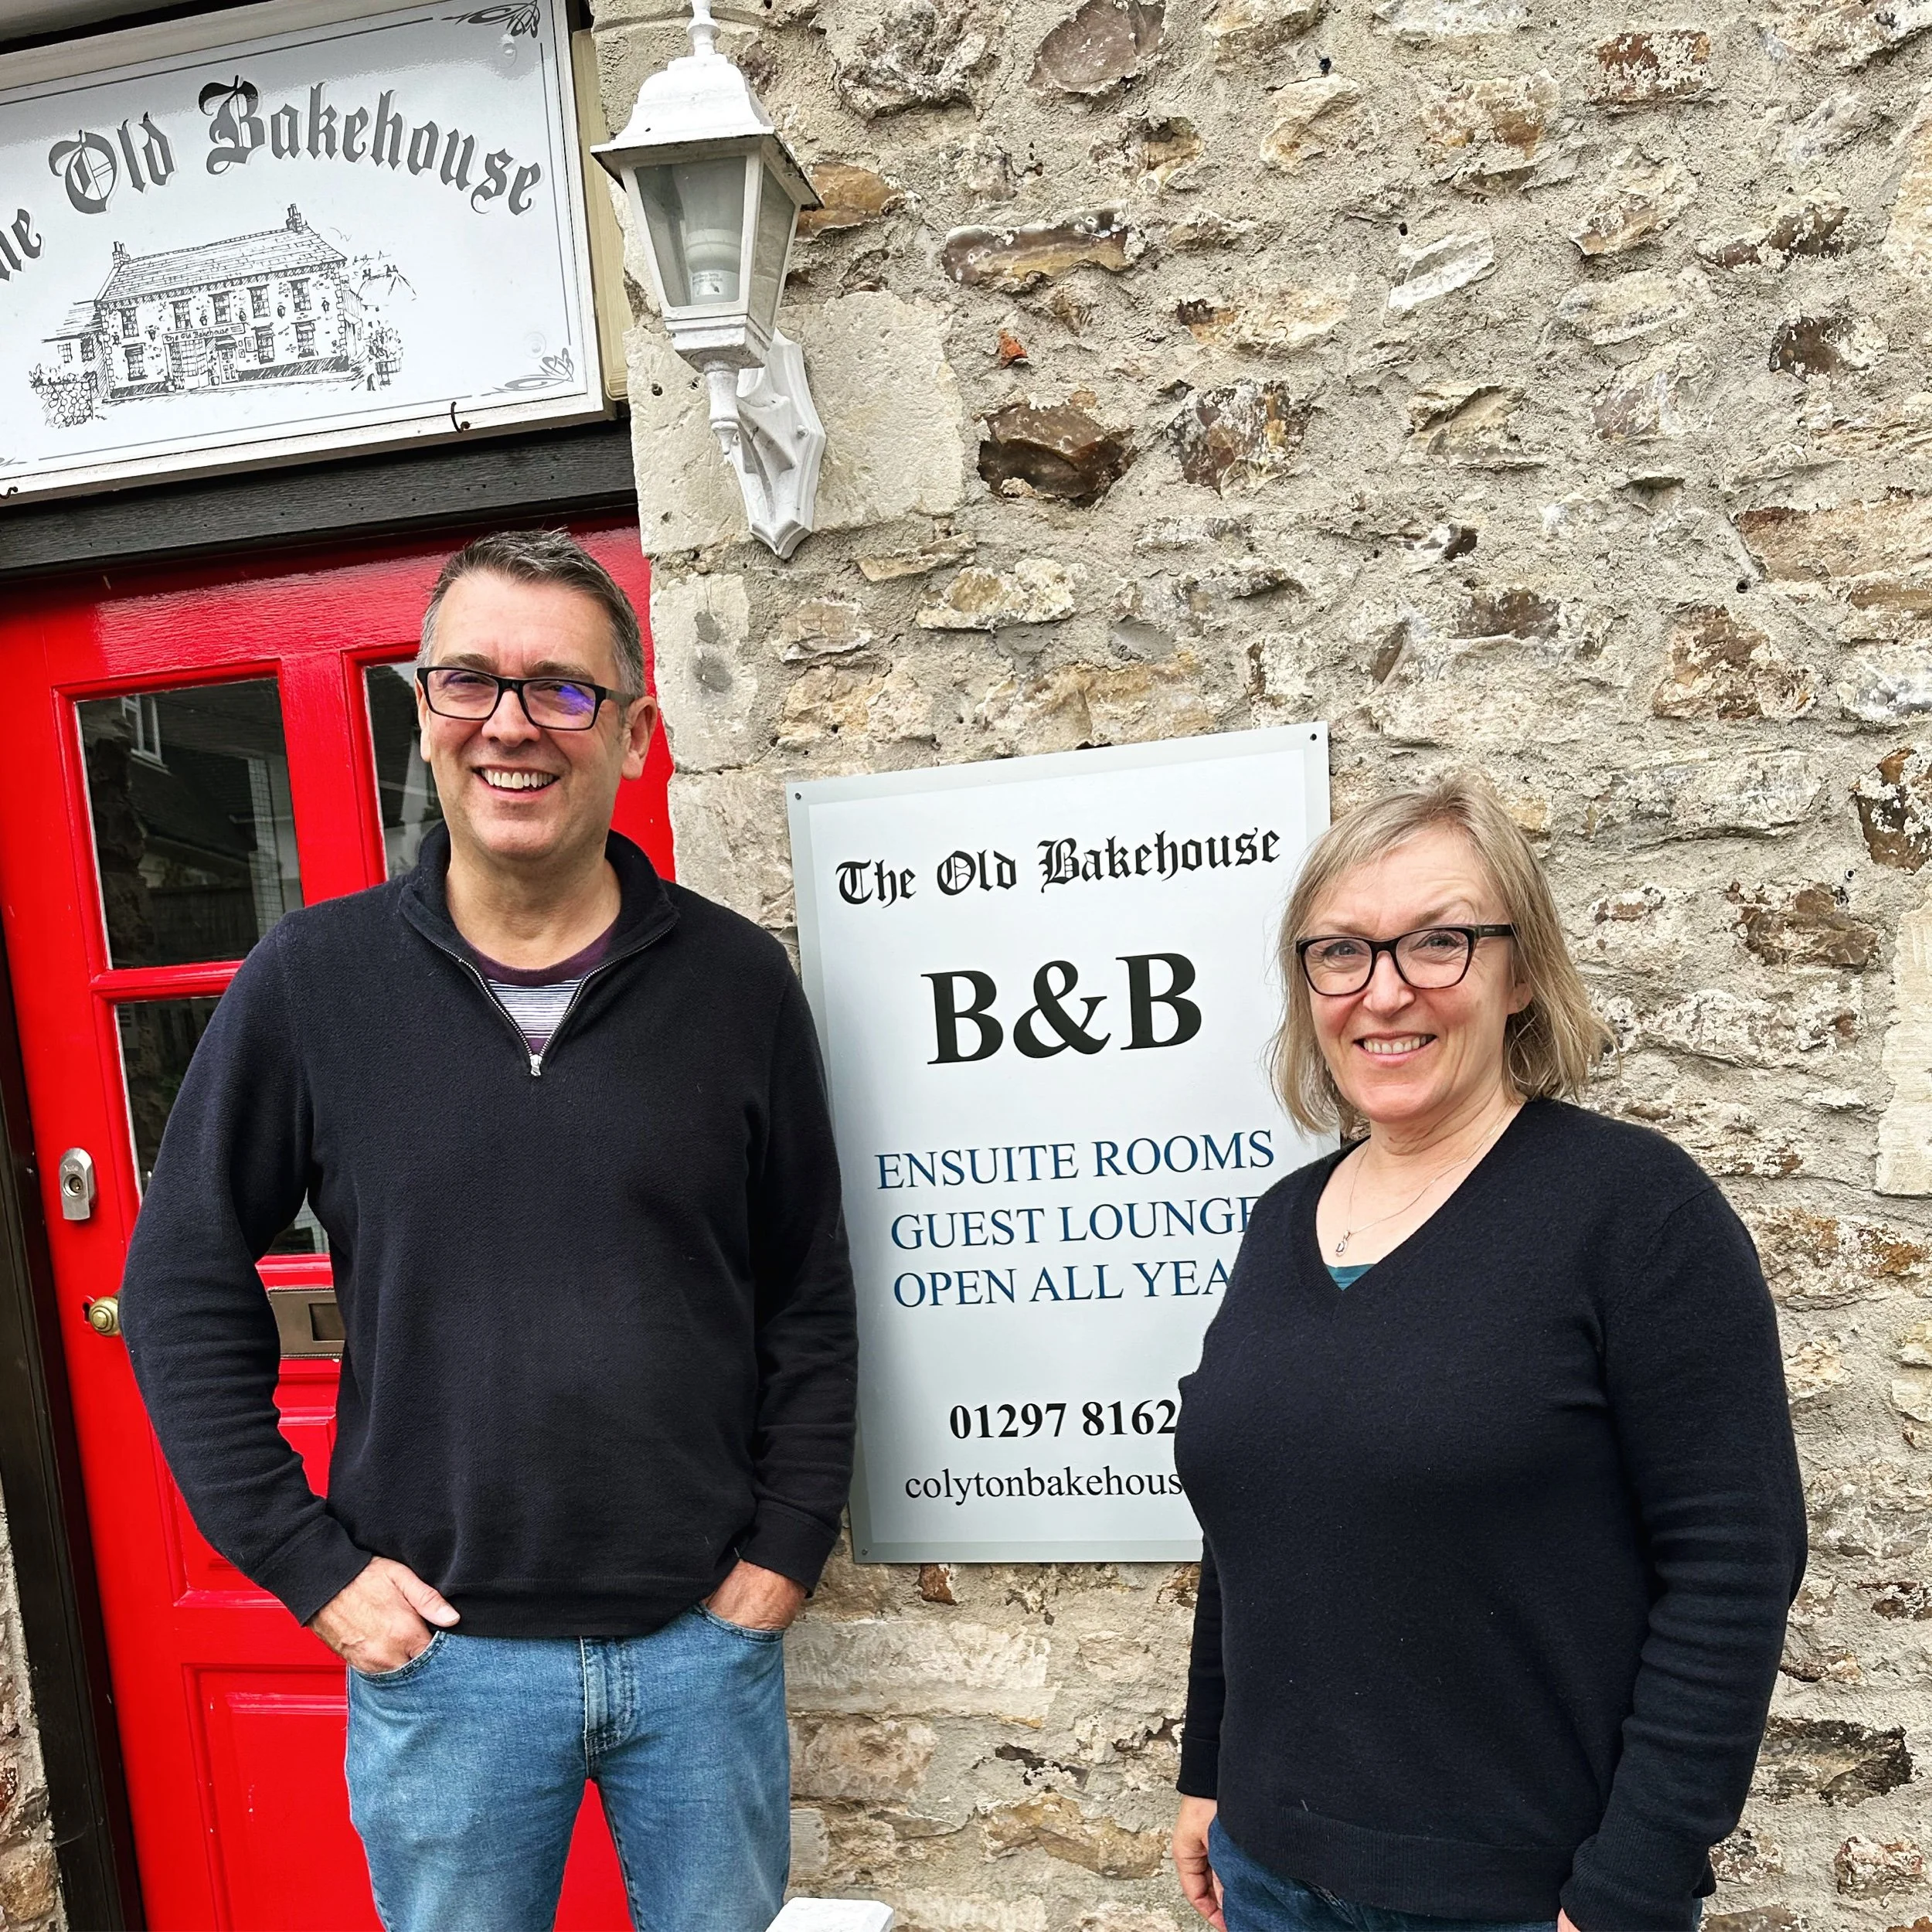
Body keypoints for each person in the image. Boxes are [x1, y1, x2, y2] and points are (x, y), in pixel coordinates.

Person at [121, 528, 857, 1932]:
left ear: (632, 733)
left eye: (561, 690)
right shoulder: (313, 983)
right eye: (470, 683)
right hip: (442, 1662)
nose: (510, 725)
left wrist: (783, 1551)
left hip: (699, 1649)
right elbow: (181, 1288)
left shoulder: (733, 984)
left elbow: (807, 1293)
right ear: (425, 714)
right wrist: (312, 1573)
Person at [1170, 776, 1805, 1932]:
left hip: (1516, 1900)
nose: (1386, 990)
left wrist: (1635, 1886)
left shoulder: (1633, 1211)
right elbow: (1254, 1535)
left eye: (1440, 942)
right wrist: (1207, 1773)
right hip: (1269, 1874)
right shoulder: (1279, 1223)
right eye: (1342, 953)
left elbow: (1734, 1567)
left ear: (1520, 974)